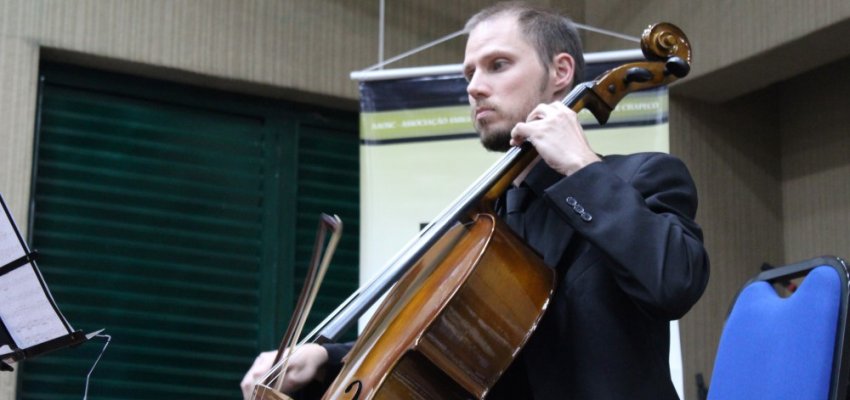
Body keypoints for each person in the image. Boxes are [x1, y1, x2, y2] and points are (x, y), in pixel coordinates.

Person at [242, 2, 709, 399]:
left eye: (498, 65)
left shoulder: (640, 178)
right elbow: (424, 342)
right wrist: (324, 357)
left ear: (561, 72)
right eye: (469, 73)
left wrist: (582, 168)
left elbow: (673, 282)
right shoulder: (477, 222)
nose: (474, 86)